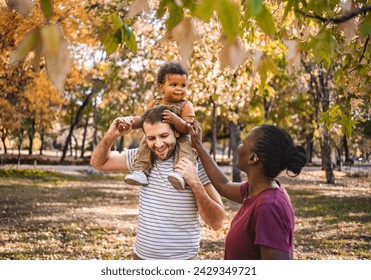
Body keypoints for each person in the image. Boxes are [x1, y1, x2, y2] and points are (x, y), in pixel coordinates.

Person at [90, 106, 224, 260]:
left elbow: (217, 223)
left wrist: (195, 183)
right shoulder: (142, 158)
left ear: (176, 132)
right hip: (141, 258)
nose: (158, 144)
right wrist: (111, 135)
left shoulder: (195, 162)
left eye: (164, 135)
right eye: (151, 138)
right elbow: (98, 163)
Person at [182, 122, 307, 260]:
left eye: (242, 142)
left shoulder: (269, 207)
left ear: (253, 158)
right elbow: (223, 185)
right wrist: (198, 146)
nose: (238, 146)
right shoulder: (255, 190)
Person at [123, 62, 196, 190]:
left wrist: (176, 120)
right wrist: (130, 122)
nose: (179, 88)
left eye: (183, 85)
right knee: (146, 141)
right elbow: (143, 119)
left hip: (180, 136)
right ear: (161, 87)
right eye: (174, 85)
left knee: (186, 146)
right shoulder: (155, 103)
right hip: (159, 136)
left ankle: (180, 173)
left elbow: (188, 128)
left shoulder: (186, 105)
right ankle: (141, 170)